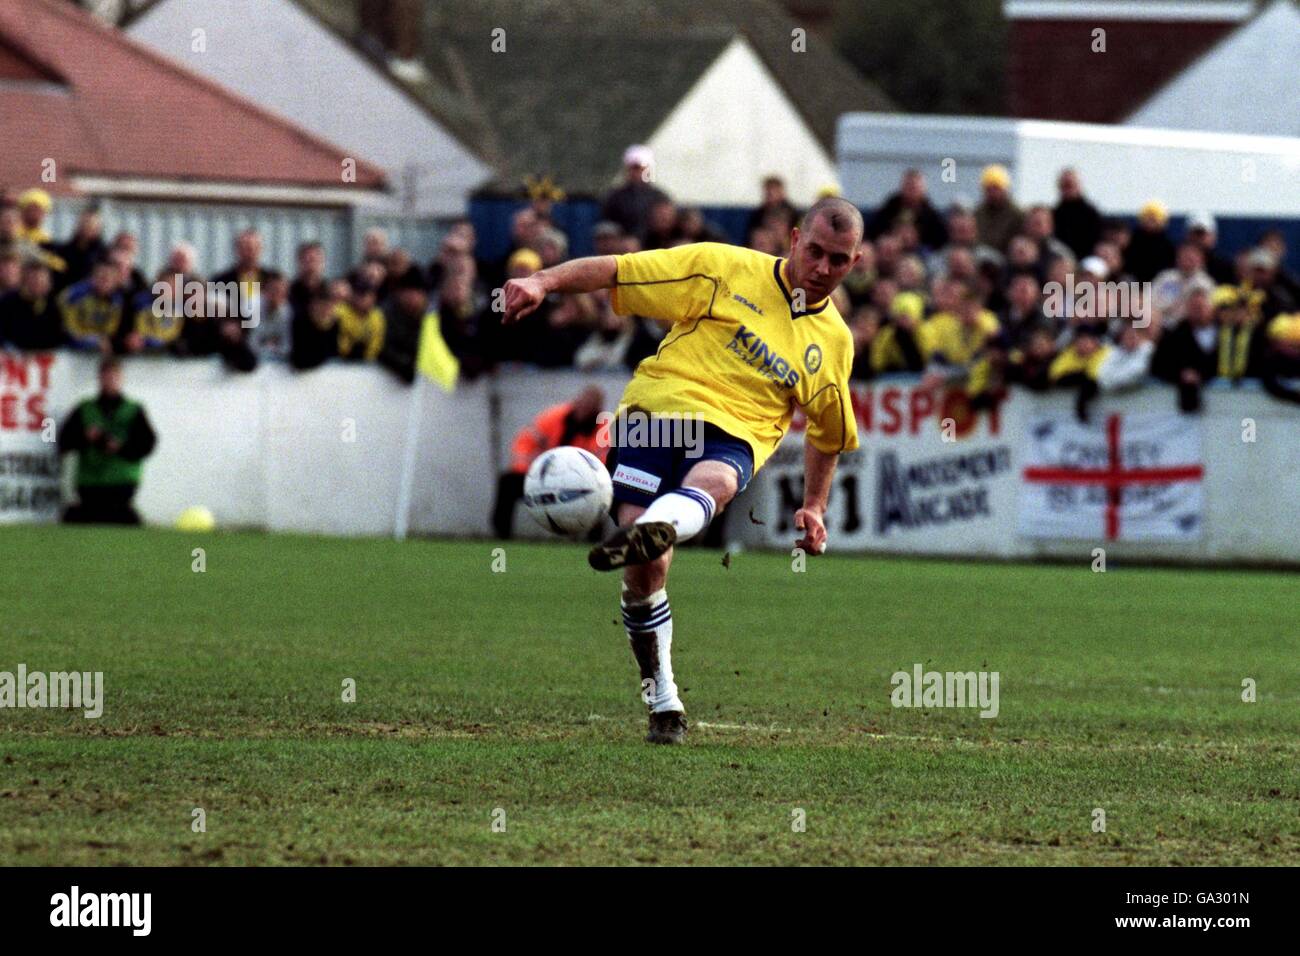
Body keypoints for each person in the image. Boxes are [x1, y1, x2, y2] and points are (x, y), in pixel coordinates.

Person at [501, 196, 863, 745]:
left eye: (838, 260)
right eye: (814, 251)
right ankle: (662, 694)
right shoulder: (722, 268)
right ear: (793, 238)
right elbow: (621, 271)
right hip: (655, 413)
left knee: (713, 484)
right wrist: (543, 282)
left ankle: (653, 532)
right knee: (648, 572)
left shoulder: (833, 343)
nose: (822, 268)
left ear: (854, 263)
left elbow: (827, 432)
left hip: (734, 433)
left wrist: (814, 504)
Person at [492, 386, 608, 539]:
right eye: (582, 404)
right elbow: (525, 442)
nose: (583, 410)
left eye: (589, 406)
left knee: (603, 495)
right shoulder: (554, 417)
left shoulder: (604, 430)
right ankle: (501, 536)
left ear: (597, 409)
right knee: (508, 482)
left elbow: (601, 466)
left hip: (580, 485)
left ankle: (593, 543)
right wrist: (534, 471)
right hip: (543, 478)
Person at [57, 357, 157, 525]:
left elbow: (148, 444)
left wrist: (121, 447)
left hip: (122, 482)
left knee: (118, 517)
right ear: (100, 378)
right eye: (107, 376)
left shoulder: (133, 410)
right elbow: (62, 441)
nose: (110, 381)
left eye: (114, 377)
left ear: (121, 379)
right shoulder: (84, 408)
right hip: (90, 482)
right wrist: (84, 437)